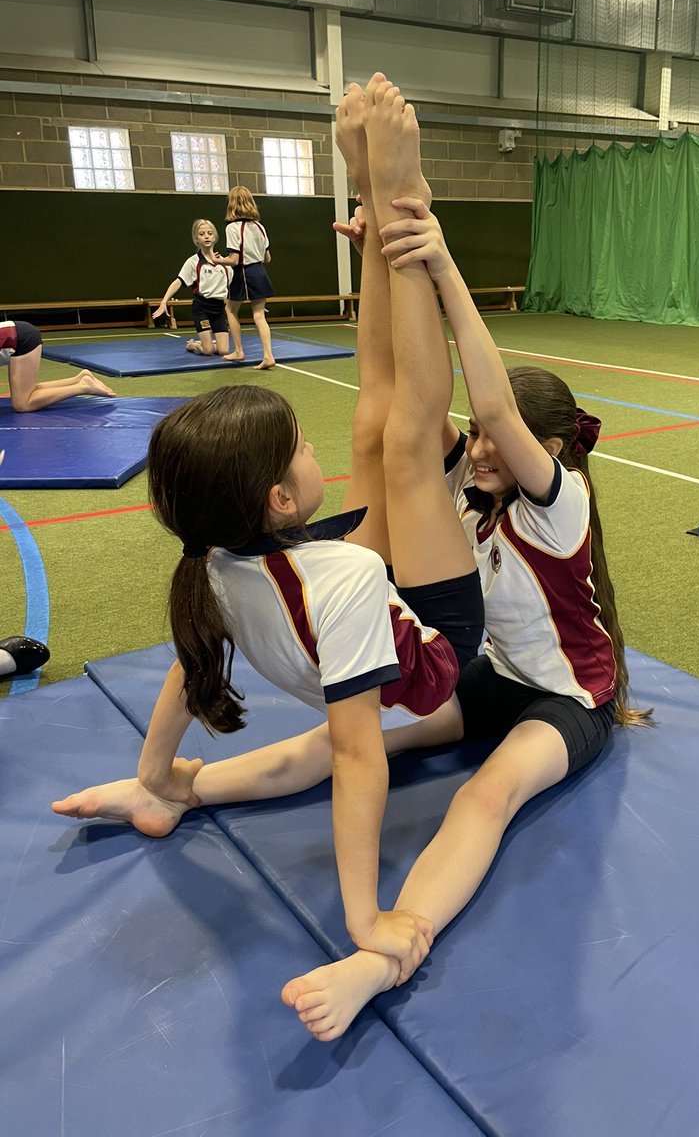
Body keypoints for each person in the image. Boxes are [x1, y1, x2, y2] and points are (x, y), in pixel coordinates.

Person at [51, 74, 485, 989]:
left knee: (373, 421)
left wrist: (156, 776)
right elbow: (357, 757)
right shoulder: (347, 583)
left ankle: (374, 205)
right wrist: (363, 916)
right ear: (280, 500)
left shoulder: (210, 564)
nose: (309, 446)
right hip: (433, 648)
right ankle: (401, 196)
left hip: (324, 601)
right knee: (408, 440)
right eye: (297, 448)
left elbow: (188, 668)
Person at [276, 78, 652, 1042]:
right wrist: (385, 232)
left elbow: (485, 407)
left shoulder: (559, 507)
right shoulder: (475, 501)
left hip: (565, 703)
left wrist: (440, 261)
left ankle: (387, 955)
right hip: (496, 680)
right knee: (352, 738)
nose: (479, 449)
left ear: (549, 449)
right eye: (481, 442)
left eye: (500, 442)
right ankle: (182, 786)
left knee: (486, 794)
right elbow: (393, 398)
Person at [213, 186, 276, 370]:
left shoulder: (232, 228)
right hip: (260, 271)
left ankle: (239, 350)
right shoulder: (259, 227)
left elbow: (233, 260)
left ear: (231, 204)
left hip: (244, 272)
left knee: (230, 309)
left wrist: (217, 260)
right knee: (259, 314)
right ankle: (268, 355)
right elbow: (267, 258)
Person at [151, 219, 233, 357]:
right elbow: (178, 282)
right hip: (202, 308)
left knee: (223, 351)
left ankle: (207, 344)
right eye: (202, 234)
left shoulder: (224, 263)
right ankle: (193, 345)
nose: (206, 236)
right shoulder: (193, 262)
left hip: (218, 308)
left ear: (215, 237)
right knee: (208, 351)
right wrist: (164, 302)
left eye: (209, 233)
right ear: (196, 239)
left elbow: (233, 284)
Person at [1, 320, 115, 412]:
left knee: (23, 404)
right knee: (24, 392)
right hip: (19, 334)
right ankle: (78, 380)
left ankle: (84, 386)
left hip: (21, 339)